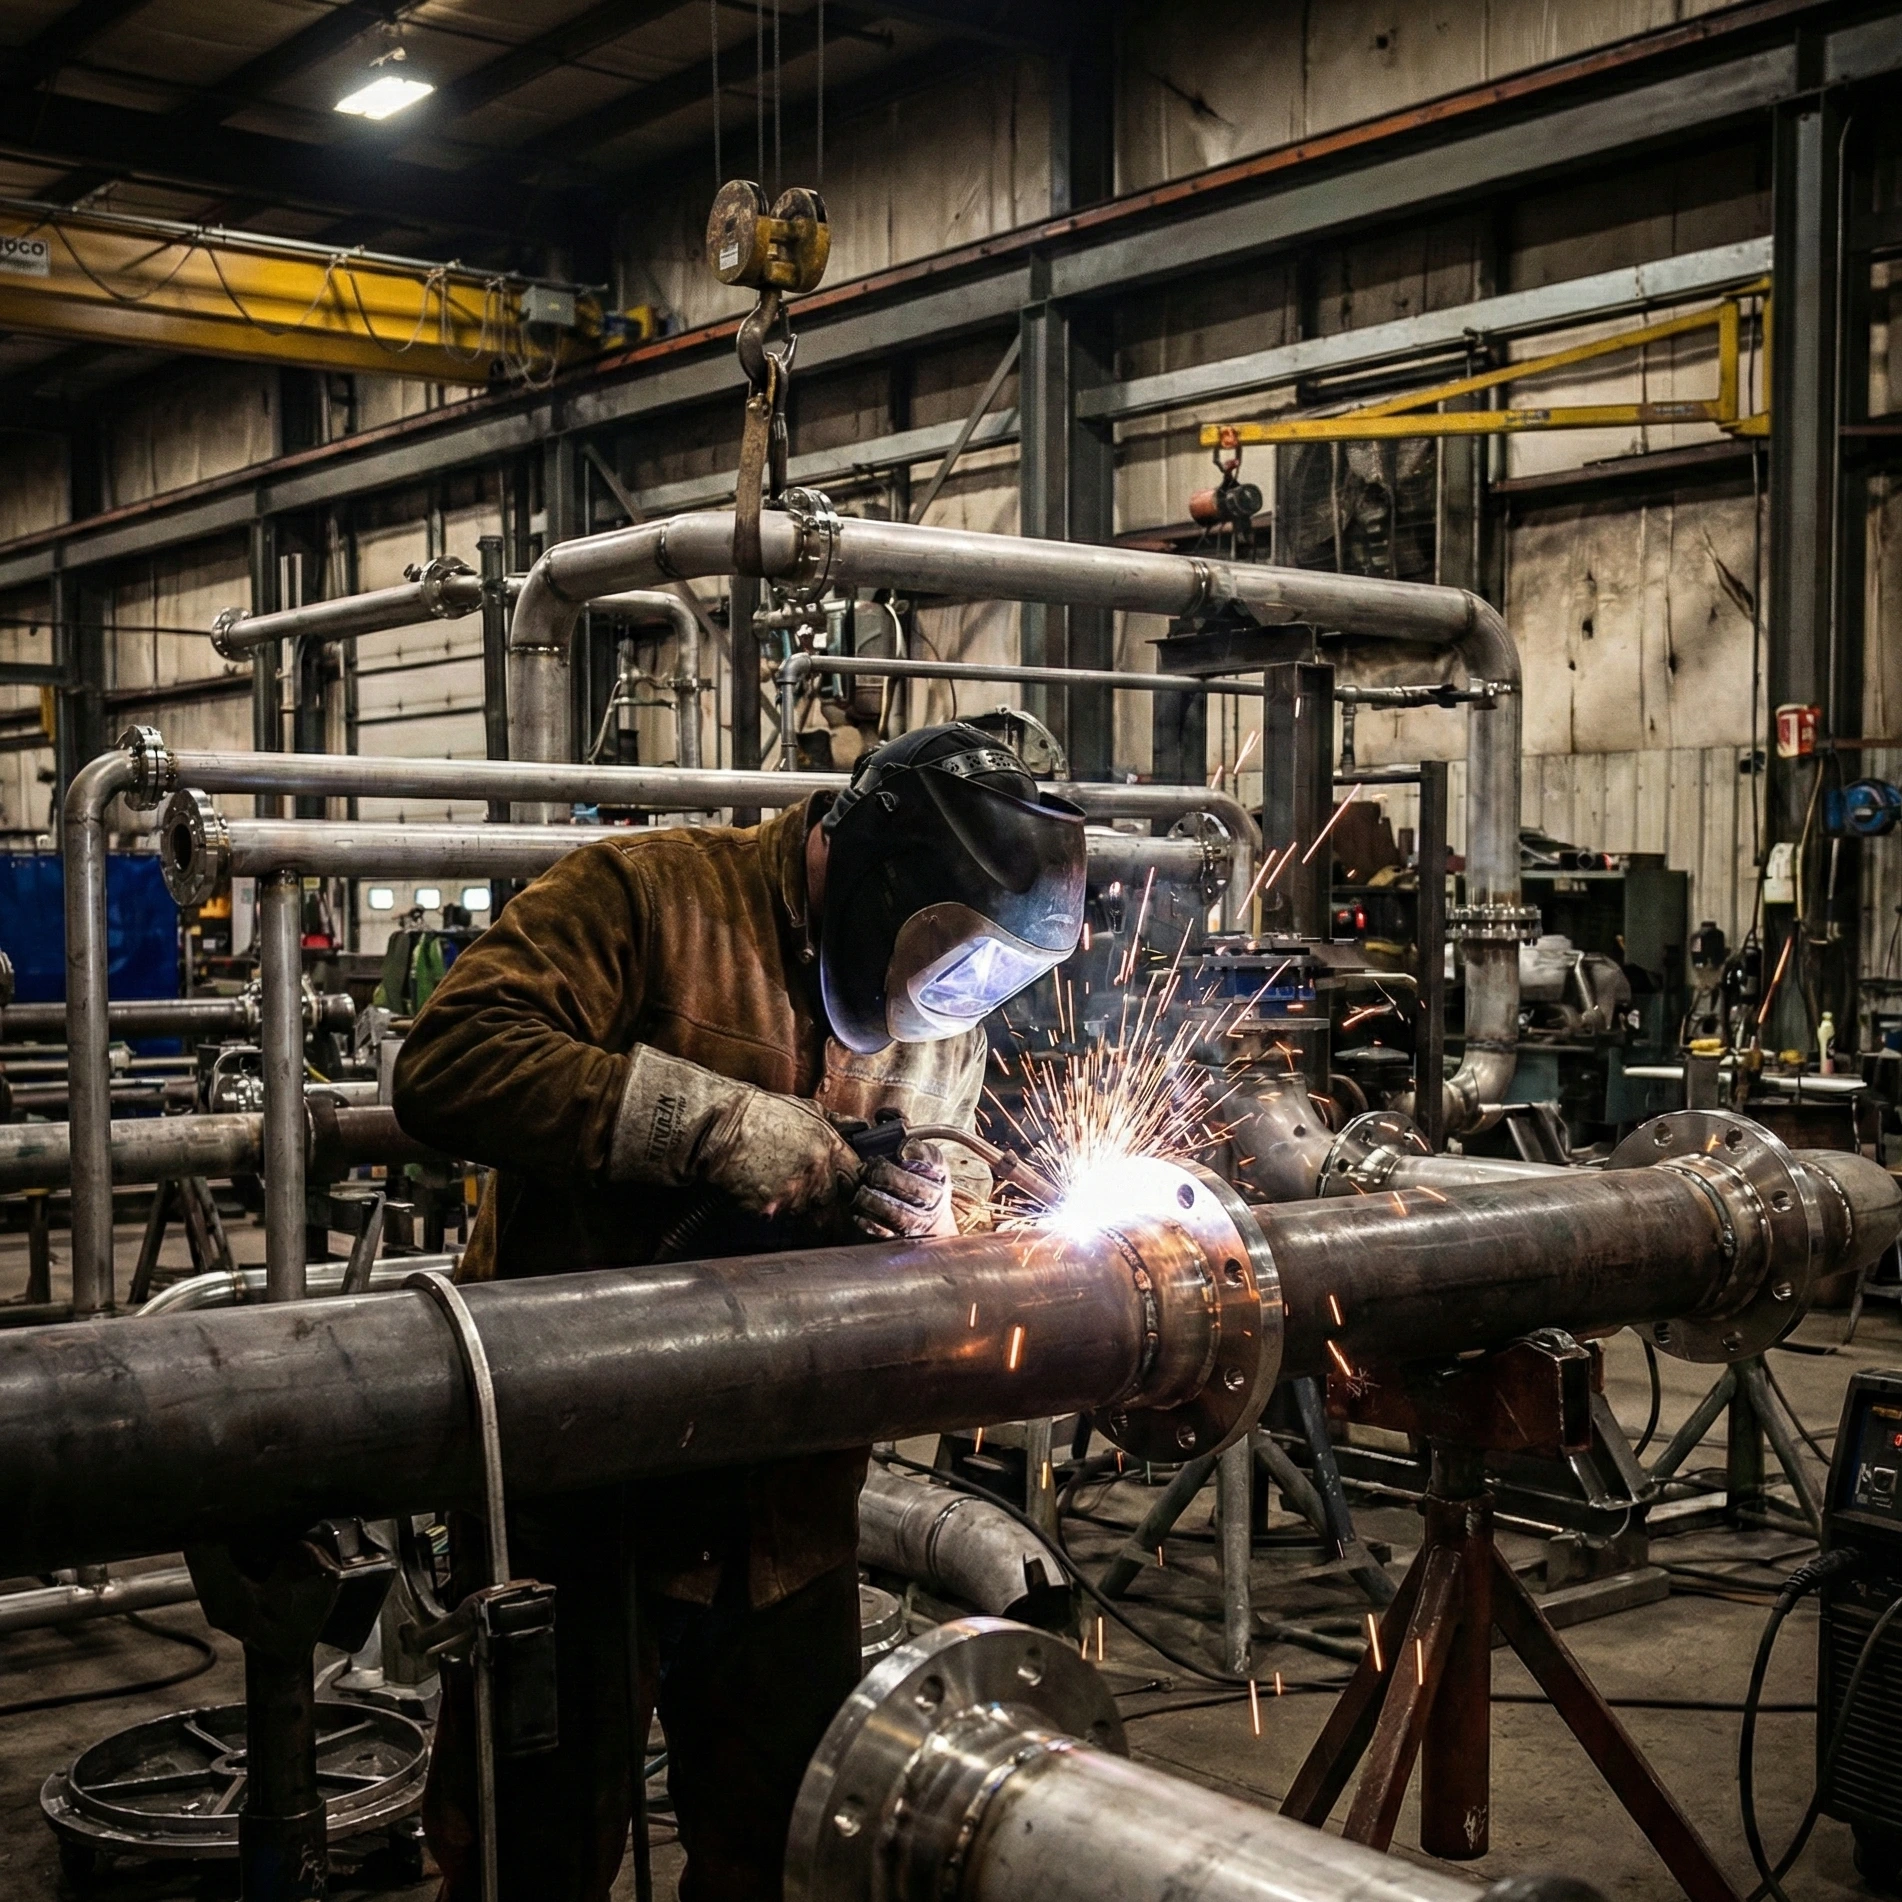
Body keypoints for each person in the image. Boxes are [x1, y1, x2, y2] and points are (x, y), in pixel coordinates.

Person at [391, 722, 1086, 1902]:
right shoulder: (647, 896)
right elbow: (449, 1062)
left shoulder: (948, 1010)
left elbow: (961, 1185)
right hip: (580, 1497)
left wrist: (938, 1209)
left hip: (789, 1519)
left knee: (783, 1856)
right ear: (868, 875)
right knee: (532, 1857)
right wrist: (704, 1124)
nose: (946, 1009)